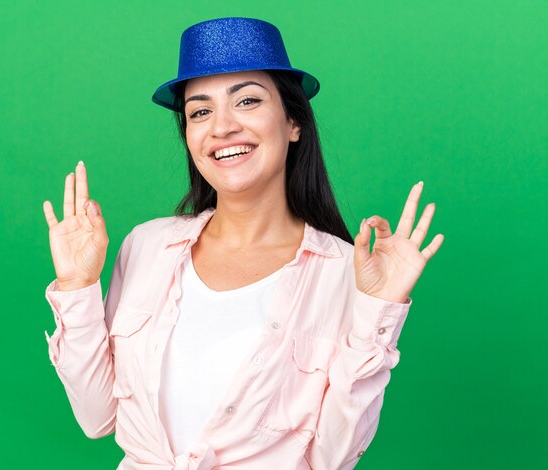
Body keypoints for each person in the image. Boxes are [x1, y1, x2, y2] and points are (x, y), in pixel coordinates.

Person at [42, 17, 444, 470]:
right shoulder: (146, 247)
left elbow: (333, 457)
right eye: (200, 111)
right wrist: (77, 286)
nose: (221, 127)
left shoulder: (347, 272)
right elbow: (98, 418)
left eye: (247, 100)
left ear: (294, 122)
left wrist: (379, 310)